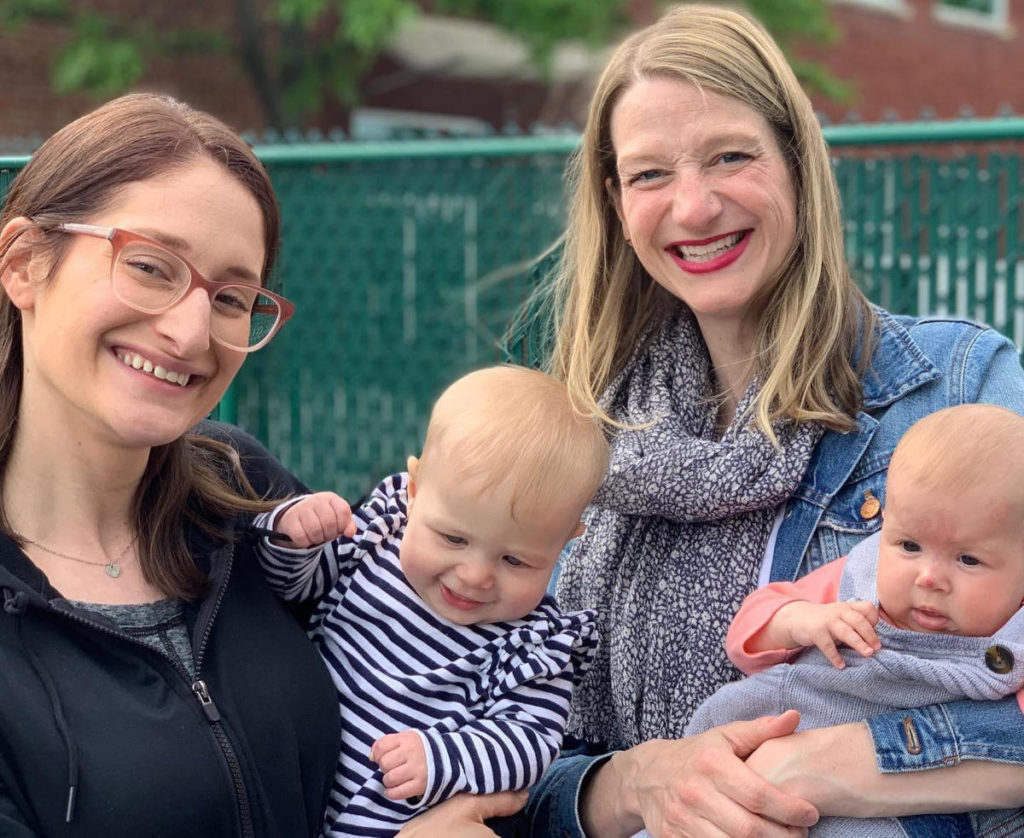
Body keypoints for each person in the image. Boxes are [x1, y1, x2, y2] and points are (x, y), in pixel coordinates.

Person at [401, 5, 1024, 837]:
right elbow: (498, 732)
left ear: (797, 165)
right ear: (617, 203)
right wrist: (628, 786)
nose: (693, 209)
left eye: (731, 157)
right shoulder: (575, 434)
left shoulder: (959, 390)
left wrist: (826, 767)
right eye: (651, 174)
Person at [0, 93, 341, 835]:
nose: (191, 333)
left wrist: (583, 796)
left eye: (229, 296)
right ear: (24, 264)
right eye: (151, 266)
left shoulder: (246, 495)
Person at [629, 404, 1024, 838]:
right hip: (775, 737)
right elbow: (746, 636)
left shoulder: (1015, 638)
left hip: (897, 807)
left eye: (968, 559)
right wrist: (802, 620)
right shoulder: (858, 580)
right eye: (908, 545)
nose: (928, 577)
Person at [254, 365, 608, 837]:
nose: (475, 576)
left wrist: (442, 757)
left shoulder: (533, 645)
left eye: (515, 560)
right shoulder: (376, 537)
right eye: (453, 538)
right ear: (415, 493)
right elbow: (293, 590)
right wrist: (296, 539)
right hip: (285, 795)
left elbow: (529, 743)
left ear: (566, 541)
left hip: (387, 821)